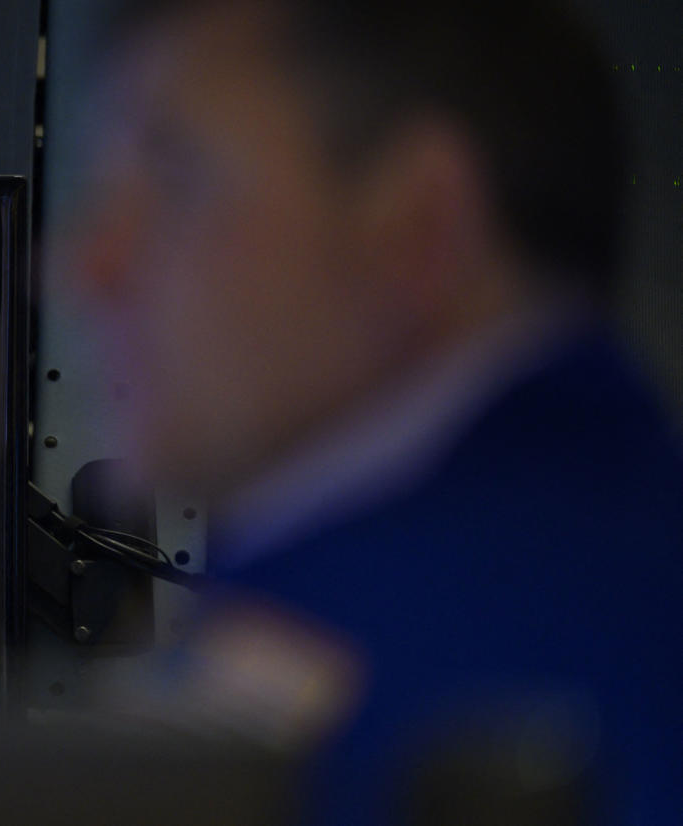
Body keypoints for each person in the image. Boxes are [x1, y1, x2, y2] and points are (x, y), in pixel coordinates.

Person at [59, 0, 683, 822]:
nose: (89, 266)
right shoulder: (625, 539)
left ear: (420, 223)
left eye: (174, 176)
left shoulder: (297, 725)